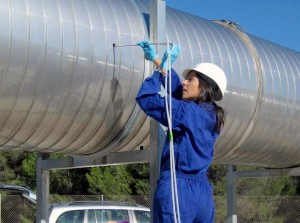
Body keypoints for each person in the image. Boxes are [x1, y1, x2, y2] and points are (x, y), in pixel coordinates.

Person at [136, 40, 227, 223]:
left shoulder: (186, 112)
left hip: (178, 189)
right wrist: (159, 62)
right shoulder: (213, 115)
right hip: (202, 194)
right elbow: (180, 93)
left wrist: (157, 72)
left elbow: (146, 98)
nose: (184, 82)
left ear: (205, 86)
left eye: (190, 79)